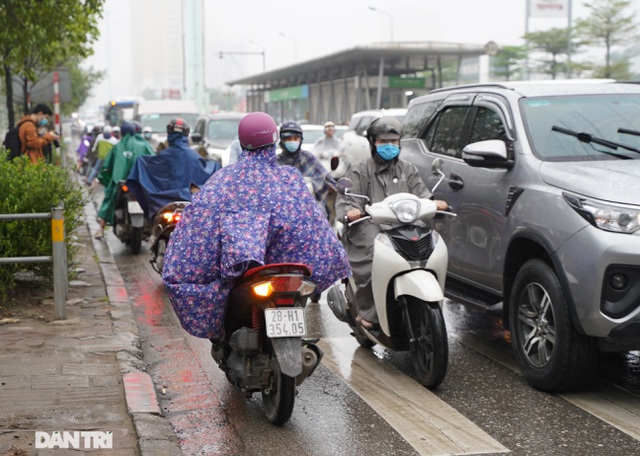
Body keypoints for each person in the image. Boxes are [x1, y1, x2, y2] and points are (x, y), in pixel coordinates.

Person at [162, 112, 351, 340]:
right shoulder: (290, 178)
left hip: (251, 277)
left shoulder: (222, 181)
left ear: (242, 144)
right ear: (274, 141)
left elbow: (198, 227)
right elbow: (314, 224)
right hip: (286, 270)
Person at [335, 115, 448, 330]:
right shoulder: (360, 169)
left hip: (403, 225)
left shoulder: (408, 169)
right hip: (369, 226)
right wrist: (351, 211)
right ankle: (369, 312)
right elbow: (347, 199)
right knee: (372, 256)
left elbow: (422, 194)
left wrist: (435, 203)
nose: (389, 146)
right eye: (383, 142)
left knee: (429, 249)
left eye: (393, 142)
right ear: (372, 143)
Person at [125, 118, 220, 221]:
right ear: (186, 134)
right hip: (190, 206)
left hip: (162, 206)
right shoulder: (196, 158)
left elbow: (140, 176)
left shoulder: (159, 158)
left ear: (169, 134)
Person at [94, 121, 155, 239]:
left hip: (119, 183)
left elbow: (106, 168)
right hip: (139, 183)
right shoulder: (143, 146)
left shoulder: (117, 147)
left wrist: (109, 181)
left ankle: (101, 228)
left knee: (109, 200)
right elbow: (153, 162)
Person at [276, 121, 335, 218]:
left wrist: (333, 186)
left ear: (300, 140)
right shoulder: (275, 162)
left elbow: (326, 177)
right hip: (282, 211)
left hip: (311, 210)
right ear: (282, 140)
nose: (292, 141)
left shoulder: (308, 158)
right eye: (288, 139)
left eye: (295, 138)